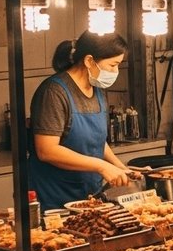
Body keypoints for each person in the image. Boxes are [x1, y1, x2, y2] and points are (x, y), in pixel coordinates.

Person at [29, 32, 136, 211]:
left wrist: (121, 168)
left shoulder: (98, 91)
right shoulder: (54, 92)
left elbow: (96, 141)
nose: (115, 72)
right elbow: (46, 150)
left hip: (88, 195)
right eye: (113, 65)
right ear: (88, 61)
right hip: (53, 197)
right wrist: (102, 166)